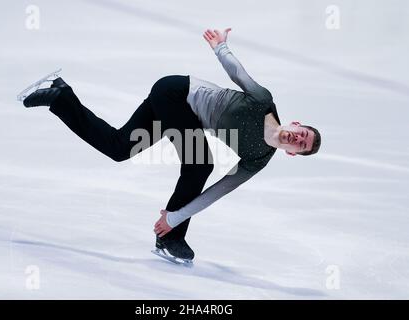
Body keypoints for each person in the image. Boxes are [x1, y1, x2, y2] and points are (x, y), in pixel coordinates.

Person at [21, 28, 321, 262]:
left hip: (178, 112)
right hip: (176, 93)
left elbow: (220, 190)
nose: (297, 138)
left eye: (302, 145)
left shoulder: (258, 158)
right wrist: (220, 46)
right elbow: (238, 73)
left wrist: (176, 216)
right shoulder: (263, 101)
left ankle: (61, 97)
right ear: (295, 123)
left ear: (293, 153)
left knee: (119, 148)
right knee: (200, 163)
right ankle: (170, 238)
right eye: (302, 132)